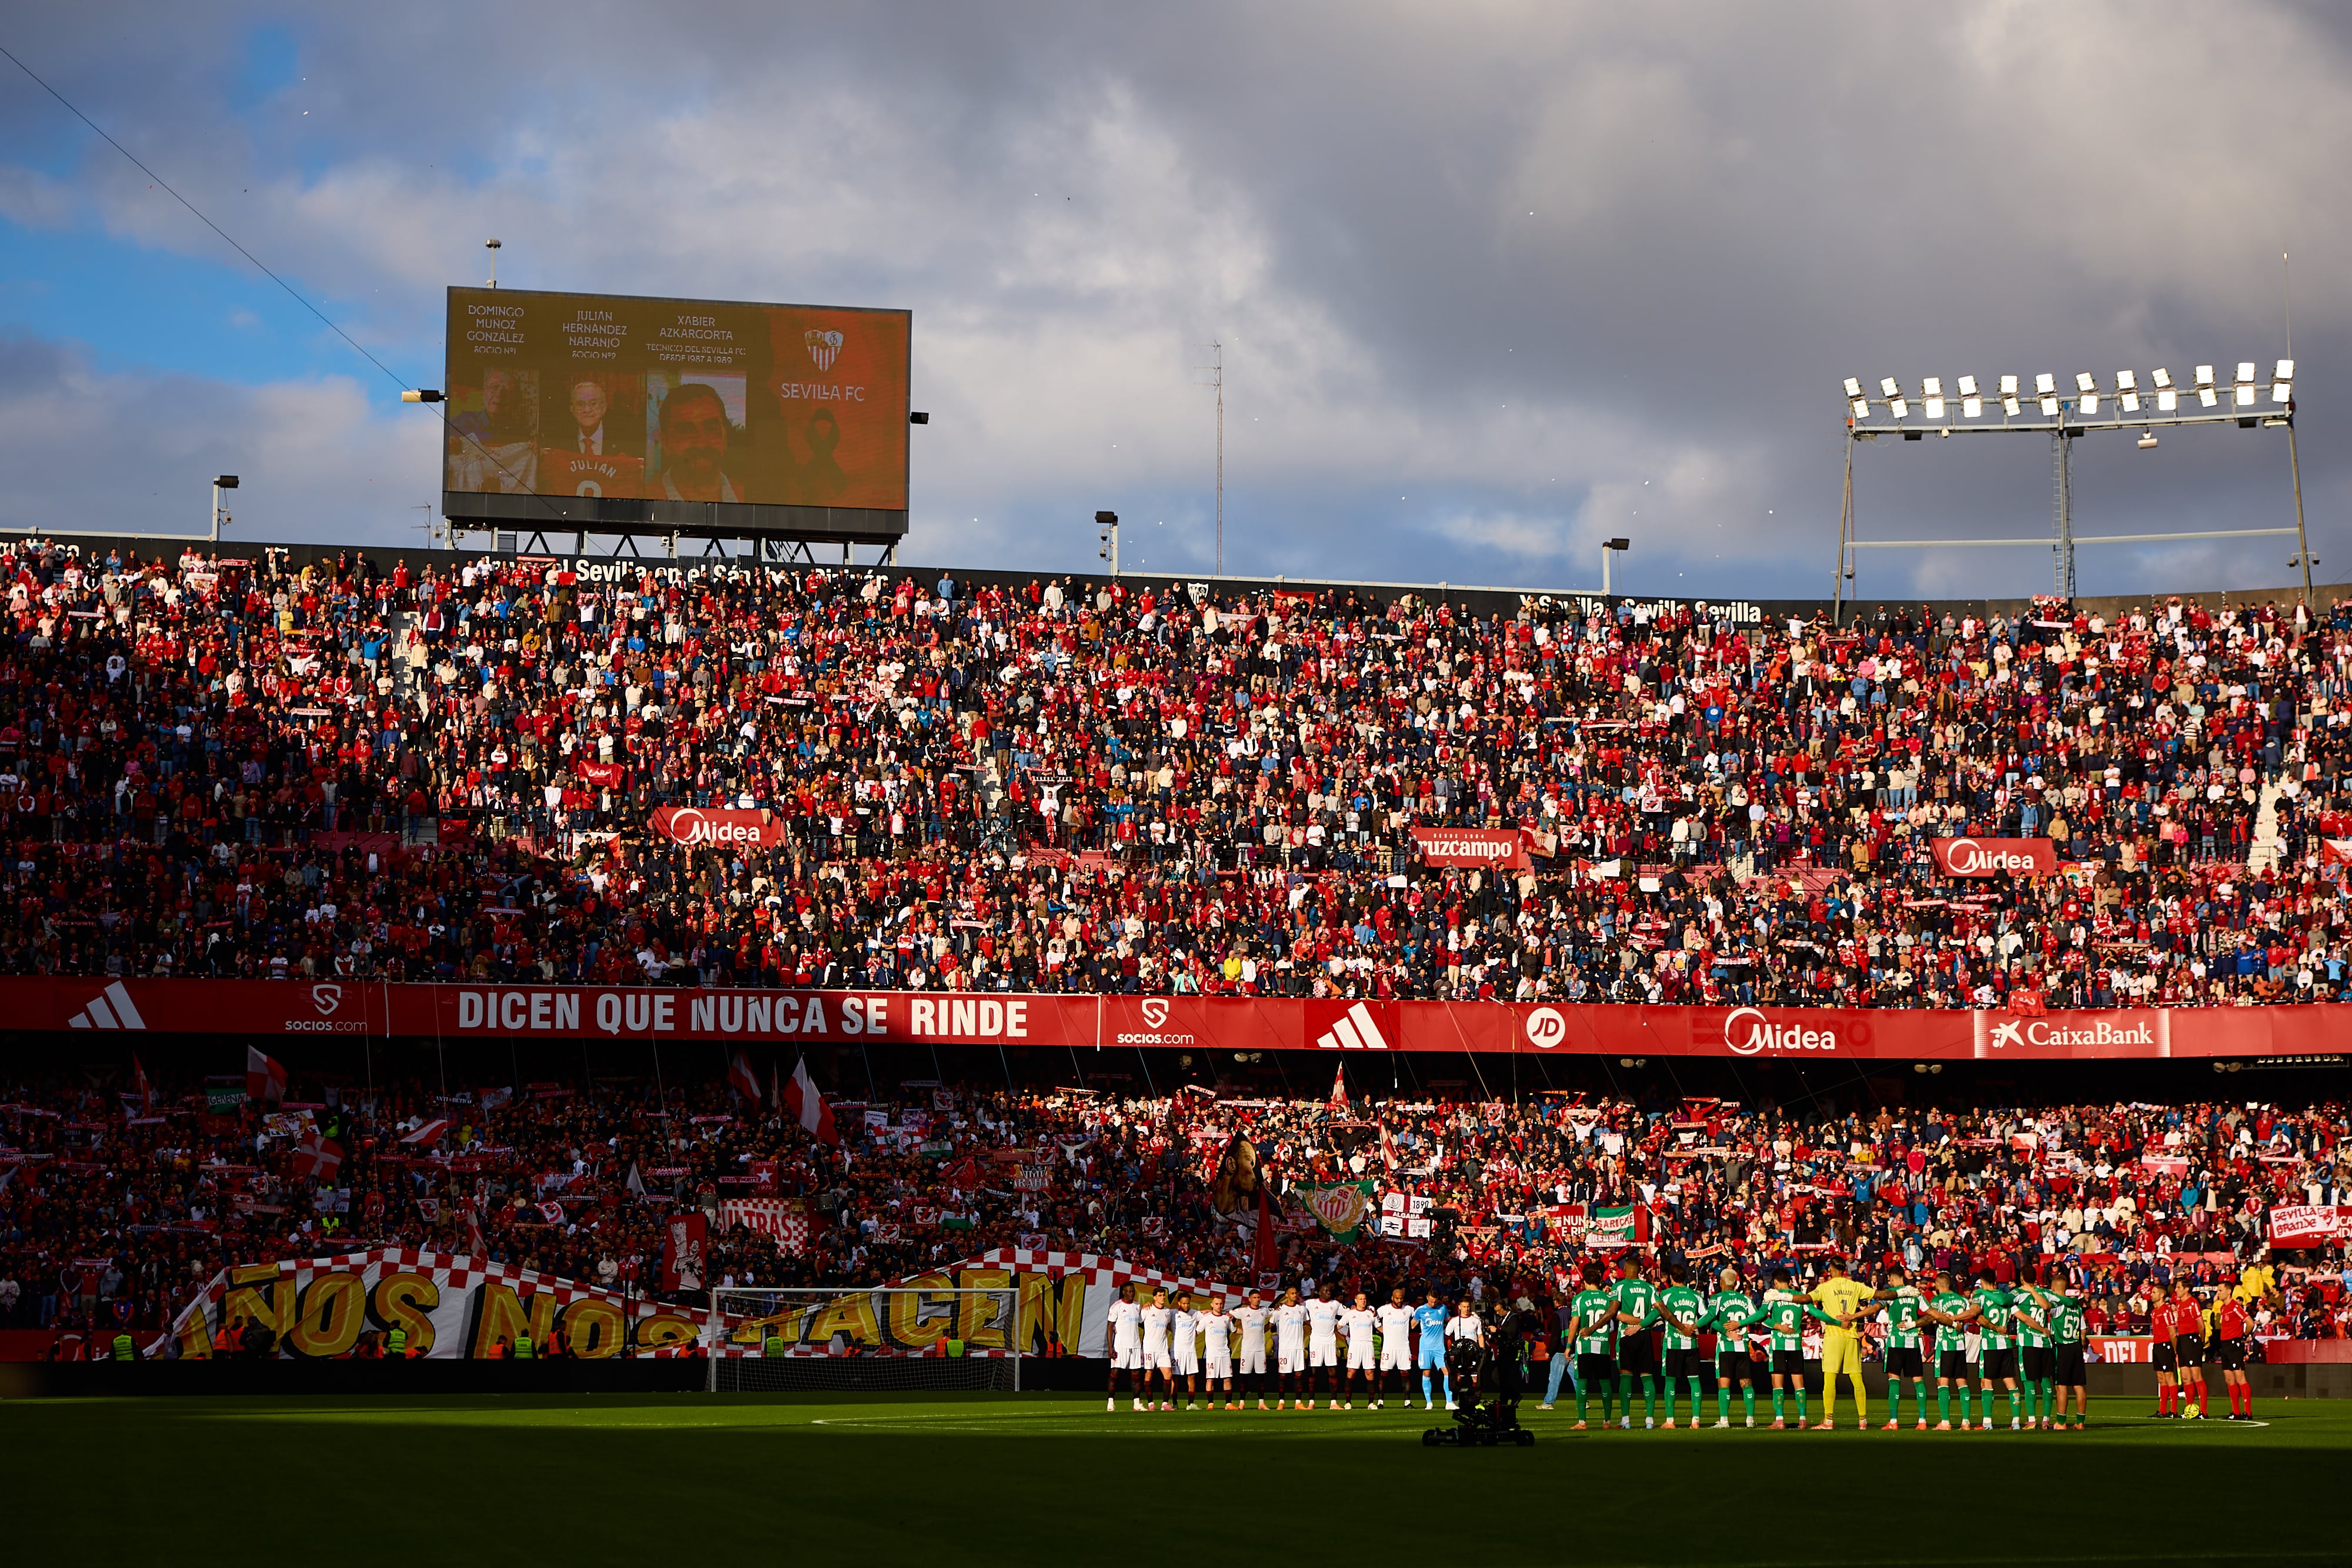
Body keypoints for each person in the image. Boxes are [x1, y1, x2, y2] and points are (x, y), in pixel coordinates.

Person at [1809, 1258, 1875, 1431]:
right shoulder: (1855, 1286)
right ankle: (1863, 1420)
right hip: (1851, 1335)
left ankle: (1828, 1421)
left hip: (1834, 1335)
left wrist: (1786, 1296)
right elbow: (1878, 1297)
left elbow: (1807, 1300)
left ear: (1831, 1269)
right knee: (1857, 1379)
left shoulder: (1825, 1287)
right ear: (1845, 1269)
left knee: (1830, 1379)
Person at [649, 381, 738, 503]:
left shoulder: (747, 494)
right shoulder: (643, 497)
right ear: (666, 442)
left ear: (725, 438)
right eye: (686, 431)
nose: (701, 443)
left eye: (711, 429)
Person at [1876, 1264, 1931, 1432]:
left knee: (1894, 1381)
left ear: (1892, 1278)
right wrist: (1914, 1324)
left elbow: (1875, 1307)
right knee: (1919, 1381)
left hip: (1896, 1343)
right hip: (1912, 1342)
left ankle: (1893, 1421)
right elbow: (1930, 1315)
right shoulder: (1916, 1293)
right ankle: (1922, 1421)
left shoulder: (1891, 1294)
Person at [1705, 1266, 1760, 1429]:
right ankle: (1750, 1420)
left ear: (1721, 1282)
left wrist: (1727, 1332)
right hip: (1743, 1346)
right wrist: (1742, 1323)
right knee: (1746, 1383)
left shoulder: (1717, 1298)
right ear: (1736, 1283)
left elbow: (1711, 1319)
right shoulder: (1746, 1299)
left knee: (1724, 1384)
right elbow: (1758, 1316)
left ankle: (1724, 1420)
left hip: (1725, 1346)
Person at [1759, 1268, 1815, 1430]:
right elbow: (1815, 1313)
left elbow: (1762, 1317)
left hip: (1778, 1345)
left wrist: (1777, 1326)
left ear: (1776, 1282)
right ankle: (1803, 1420)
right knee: (1799, 1384)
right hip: (1795, 1345)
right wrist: (1837, 1322)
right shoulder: (1800, 1296)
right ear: (1789, 1281)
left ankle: (1780, 1420)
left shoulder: (1772, 1296)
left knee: (1777, 1384)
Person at [1568, 1262, 1620, 1430]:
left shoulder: (1579, 1298)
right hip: (1603, 1345)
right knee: (1605, 1383)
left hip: (1585, 1346)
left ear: (1585, 1282)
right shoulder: (1608, 1298)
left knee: (1582, 1382)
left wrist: (1568, 1345)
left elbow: (1574, 1323)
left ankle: (1582, 1422)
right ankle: (1607, 1421)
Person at [1922, 1270, 1976, 1432]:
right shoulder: (1962, 1299)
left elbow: (1933, 1317)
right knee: (1962, 1382)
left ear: (1937, 1285)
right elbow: (1969, 1315)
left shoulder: (1937, 1300)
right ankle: (1966, 1422)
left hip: (1945, 1345)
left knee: (1942, 1382)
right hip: (1960, 1345)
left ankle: (1945, 1422)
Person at [1656, 1262, 1708, 1429]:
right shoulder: (1695, 1295)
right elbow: (1707, 1316)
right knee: (1695, 1381)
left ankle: (1670, 1421)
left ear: (1671, 1278)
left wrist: (1639, 1325)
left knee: (1670, 1382)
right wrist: (1693, 1327)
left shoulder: (1665, 1294)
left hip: (1673, 1344)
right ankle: (1696, 1421)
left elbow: (1656, 1313)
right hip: (1691, 1344)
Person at [1613, 1256, 1662, 1430]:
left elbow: (1617, 1314)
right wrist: (1643, 1323)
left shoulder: (1619, 1286)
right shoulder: (1649, 1287)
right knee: (1647, 1377)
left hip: (1627, 1334)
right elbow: (1658, 1311)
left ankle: (1626, 1420)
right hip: (1645, 1335)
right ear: (1640, 1270)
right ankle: (1649, 1420)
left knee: (1626, 1377)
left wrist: (1634, 1324)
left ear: (1625, 1269)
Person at [1970, 1270, 2019, 1430]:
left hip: (1990, 1345)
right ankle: (2016, 1422)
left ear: (1982, 1281)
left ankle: (1987, 1423)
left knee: (1986, 1382)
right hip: (2005, 1344)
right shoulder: (2005, 1297)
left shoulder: (1981, 1296)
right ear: (1996, 1282)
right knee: (2010, 1381)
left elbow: (1976, 1314)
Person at [2009, 1272, 2056, 1430]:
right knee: (2046, 1382)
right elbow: (2053, 1304)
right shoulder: (2045, 1293)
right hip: (2045, 1344)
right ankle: (2046, 1421)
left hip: (2028, 1343)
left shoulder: (2017, 1293)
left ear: (2022, 1277)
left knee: (2029, 1382)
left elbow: (2005, 1301)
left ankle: (2032, 1421)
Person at [2210, 1287, 2254, 1420]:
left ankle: (2248, 1413)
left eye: (2221, 1290)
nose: (2218, 1293)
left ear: (2229, 1291)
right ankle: (2236, 1412)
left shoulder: (2235, 1307)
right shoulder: (2223, 1308)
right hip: (2225, 1345)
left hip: (2234, 1344)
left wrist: (2243, 1336)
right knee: (2229, 1379)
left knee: (2240, 1377)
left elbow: (2250, 1323)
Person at [2169, 1280, 2210, 1419]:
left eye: (2179, 1287)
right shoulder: (2179, 1304)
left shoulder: (2193, 1303)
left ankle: (2203, 1411)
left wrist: (2201, 1341)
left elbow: (2201, 1326)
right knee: (2186, 1377)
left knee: (2196, 1376)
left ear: (2186, 1289)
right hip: (2183, 1340)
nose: (2176, 1290)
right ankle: (2189, 1409)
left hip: (2192, 1340)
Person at [1375, 1287, 1415, 1410]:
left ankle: (1407, 1402)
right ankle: (1380, 1401)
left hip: (1404, 1348)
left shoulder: (1408, 1309)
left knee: (1406, 1374)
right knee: (1384, 1373)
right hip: (1389, 1348)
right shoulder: (1384, 1309)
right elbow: (1373, 1318)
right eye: (1397, 1298)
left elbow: (1419, 1316)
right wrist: (1381, 1329)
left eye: (1401, 1298)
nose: (1399, 1300)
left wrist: (1412, 1326)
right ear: (1392, 1298)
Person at [1304, 1283, 1343, 1409]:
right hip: (1316, 1342)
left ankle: (1333, 1403)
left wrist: (1339, 1326)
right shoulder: (1310, 1303)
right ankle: (1311, 1402)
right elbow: (1297, 1310)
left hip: (1330, 1342)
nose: (1328, 1292)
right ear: (1319, 1292)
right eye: (1326, 1291)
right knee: (1313, 1371)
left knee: (1332, 1371)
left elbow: (1349, 1313)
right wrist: (1310, 1323)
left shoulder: (1335, 1304)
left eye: (1329, 1290)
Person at [1106, 1283, 1143, 1412]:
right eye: (1129, 1291)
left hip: (1135, 1346)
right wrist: (1110, 1348)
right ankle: (1110, 1402)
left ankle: (1137, 1403)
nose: (1131, 1293)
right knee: (1115, 1372)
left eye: (1133, 1291)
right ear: (1124, 1292)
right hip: (1120, 1346)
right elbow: (1110, 1328)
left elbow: (1142, 1322)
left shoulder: (1138, 1306)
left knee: (1136, 1373)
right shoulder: (1116, 1306)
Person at [2150, 1279, 2184, 1418]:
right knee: (2161, 1378)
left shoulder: (2166, 1311)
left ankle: (2173, 1410)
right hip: (2157, 1345)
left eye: (2154, 1292)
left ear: (2161, 1295)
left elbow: (2172, 1333)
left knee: (2170, 1377)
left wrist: (2175, 1350)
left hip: (2166, 1345)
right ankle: (2162, 1410)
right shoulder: (2154, 1312)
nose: (2151, 1295)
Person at [1232, 1288, 1271, 1410]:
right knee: (1244, 1377)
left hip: (1260, 1350)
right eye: (1255, 1298)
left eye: (1259, 1297)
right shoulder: (1243, 1311)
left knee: (1261, 1377)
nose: (1257, 1300)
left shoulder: (1264, 1311)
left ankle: (1261, 1403)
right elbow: (1229, 1314)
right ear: (1249, 1299)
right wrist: (1234, 1329)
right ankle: (1242, 1403)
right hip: (1247, 1349)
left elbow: (1276, 1313)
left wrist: (1266, 1328)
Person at [1444, 1295, 1484, 1413]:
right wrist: (1451, 1351)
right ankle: (1454, 1400)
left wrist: (1482, 1349)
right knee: (1457, 1377)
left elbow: (1480, 1336)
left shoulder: (1476, 1321)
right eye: (1464, 1307)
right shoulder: (1454, 1321)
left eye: (1468, 1307)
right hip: (1459, 1354)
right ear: (1460, 1307)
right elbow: (1447, 1337)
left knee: (1476, 1377)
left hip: (1473, 1353)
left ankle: (1477, 1401)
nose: (1466, 1309)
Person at [1339, 1290, 1378, 1409]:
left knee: (1370, 1373)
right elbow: (1338, 1326)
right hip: (1355, 1345)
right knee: (1351, 1373)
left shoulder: (1371, 1314)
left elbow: (1380, 1328)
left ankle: (1371, 1403)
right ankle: (1348, 1402)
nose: (1363, 1301)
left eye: (1365, 1299)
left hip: (1368, 1345)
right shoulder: (1350, 1314)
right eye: (1361, 1299)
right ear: (1356, 1301)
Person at [1272, 1286, 1309, 1409]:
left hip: (1298, 1347)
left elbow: (1307, 1322)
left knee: (1299, 1375)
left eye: (1296, 1293)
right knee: (1283, 1375)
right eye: (1292, 1293)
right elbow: (1271, 1324)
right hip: (1285, 1348)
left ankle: (1298, 1402)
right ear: (1287, 1295)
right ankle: (1281, 1402)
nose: (1295, 1295)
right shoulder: (1280, 1309)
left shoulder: (1302, 1309)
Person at [1413, 1289, 1450, 1412]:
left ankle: (1449, 1402)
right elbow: (1412, 1325)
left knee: (1447, 1372)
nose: (1433, 1304)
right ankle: (1429, 1402)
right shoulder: (1421, 1310)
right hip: (1426, 1347)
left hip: (1440, 1347)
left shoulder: (1443, 1308)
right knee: (1427, 1373)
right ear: (1427, 1297)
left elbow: (1450, 1321)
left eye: (1435, 1302)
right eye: (1431, 1301)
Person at [1140, 1285, 1175, 1412]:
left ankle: (1165, 1403)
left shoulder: (1167, 1312)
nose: (1163, 1297)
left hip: (1163, 1349)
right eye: (1160, 1295)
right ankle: (1151, 1403)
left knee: (1168, 1374)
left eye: (1164, 1295)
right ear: (1154, 1297)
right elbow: (1137, 1321)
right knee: (1149, 1374)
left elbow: (1169, 1326)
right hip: (1149, 1348)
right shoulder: (1147, 1309)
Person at [1198, 1294, 1236, 1410]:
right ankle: (1210, 1404)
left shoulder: (1226, 1319)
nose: (1219, 1306)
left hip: (1225, 1353)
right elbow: (1197, 1332)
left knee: (1227, 1378)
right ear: (1212, 1305)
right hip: (1212, 1354)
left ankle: (1228, 1404)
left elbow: (1234, 1330)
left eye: (1221, 1304)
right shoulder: (1206, 1319)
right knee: (1210, 1379)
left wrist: (1250, 1332)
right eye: (1217, 1304)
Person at [1171, 1291, 1201, 1410]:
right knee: (1175, 1378)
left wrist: (1198, 1331)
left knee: (1192, 1377)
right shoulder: (1173, 1313)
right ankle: (1174, 1403)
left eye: (1188, 1303)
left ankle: (1190, 1404)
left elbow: (1208, 1316)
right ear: (1179, 1303)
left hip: (1191, 1351)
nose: (1186, 1305)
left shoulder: (1195, 1313)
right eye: (1184, 1303)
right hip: (1177, 1350)